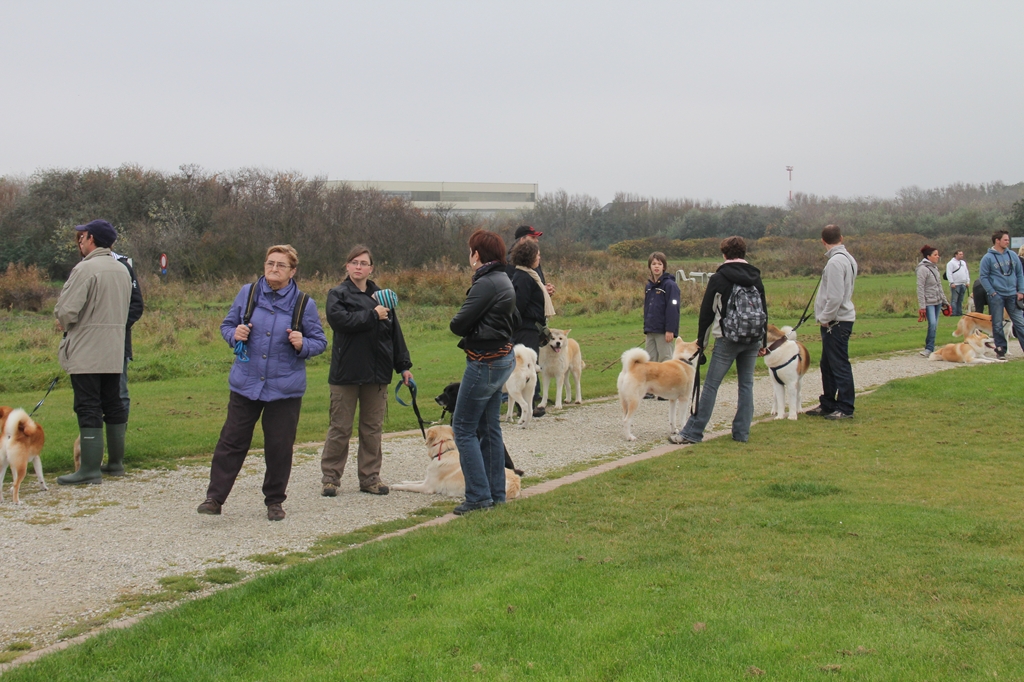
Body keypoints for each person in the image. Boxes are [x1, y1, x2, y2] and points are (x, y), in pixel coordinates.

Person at [197, 245, 327, 520]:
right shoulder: (249, 293)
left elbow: (320, 342)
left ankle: (274, 501)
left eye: (281, 265)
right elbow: (227, 325)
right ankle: (214, 498)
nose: (274, 268)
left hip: (284, 388)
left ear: (293, 271)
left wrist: (303, 343)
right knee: (231, 442)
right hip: (246, 382)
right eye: (270, 263)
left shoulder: (304, 303)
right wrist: (236, 334)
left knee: (279, 447)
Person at [320, 245, 413, 497]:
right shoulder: (337, 294)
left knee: (372, 428)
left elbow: (395, 334)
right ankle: (330, 478)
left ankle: (370, 477)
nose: (358, 267)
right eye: (354, 262)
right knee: (340, 428)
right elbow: (340, 321)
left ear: (371, 268)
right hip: (346, 374)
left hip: (377, 374)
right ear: (347, 266)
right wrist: (372, 315)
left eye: (363, 263)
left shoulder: (383, 296)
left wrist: (403, 366)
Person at [54, 219, 132, 485]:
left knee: (87, 405)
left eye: (82, 236)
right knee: (113, 403)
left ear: (91, 239)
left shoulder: (85, 269)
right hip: (114, 349)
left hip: (87, 349)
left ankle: (88, 468)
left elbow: (67, 310)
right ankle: (116, 463)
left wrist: (61, 319)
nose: (80, 240)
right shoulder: (122, 270)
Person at [669, 236, 767, 445]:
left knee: (712, 385)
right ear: (743, 253)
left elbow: (707, 314)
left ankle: (692, 432)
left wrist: (701, 345)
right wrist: (763, 341)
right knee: (746, 384)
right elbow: (763, 310)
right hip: (752, 338)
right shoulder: (755, 277)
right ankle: (741, 433)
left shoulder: (719, 278)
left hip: (727, 339)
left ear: (724, 254)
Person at [449, 229, 517, 515]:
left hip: (485, 362)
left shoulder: (487, 283)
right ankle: (495, 494)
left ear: (477, 254)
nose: (469, 255)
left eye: (470, 250)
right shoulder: (503, 278)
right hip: (502, 359)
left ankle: (478, 496)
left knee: (463, 428)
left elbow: (458, 323)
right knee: (489, 428)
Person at [805, 225, 858, 420]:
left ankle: (845, 406)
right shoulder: (849, 259)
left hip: (836, 322)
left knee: (839, 364)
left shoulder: (836, 262)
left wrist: (825, 318)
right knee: (827, 364)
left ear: (822, 241)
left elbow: (835, 297)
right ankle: (828, 402)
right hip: (839, 319)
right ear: (841, 238)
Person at [104, 249, 144, 475]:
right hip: (92, 344)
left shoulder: (123, 265)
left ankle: (116, 453)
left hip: (118, 342)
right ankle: (93, 453)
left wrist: (117, 326)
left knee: (119, 392)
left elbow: (137, 305)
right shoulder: (85, 264)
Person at [508, 238, 554, 417]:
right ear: (529, 257)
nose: (539, 257)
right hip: (525, 329)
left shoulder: (530, 275)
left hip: (532, 328)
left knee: (530, 367)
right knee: (525, 368)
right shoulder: (523, 277)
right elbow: (518, 306)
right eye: (538, 254)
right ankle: (524, 407)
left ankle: (530, 403)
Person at [977, 230, 1024, 361]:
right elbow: (984, 277)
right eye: (1005, 240)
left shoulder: (1013, 255)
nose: (1007, 242)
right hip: (997, 296)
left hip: (1013, 295)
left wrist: (1021, 291)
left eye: (1008, 240)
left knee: (1020, 323)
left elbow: (1019, 273)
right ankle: (1001, 350)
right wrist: (992, 292)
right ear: (997, 241)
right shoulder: (988, 258)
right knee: (997, 324)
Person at [643, 251, 681, 362]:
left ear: (664, 266)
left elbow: (673, 309)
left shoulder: (670, 285)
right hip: (651, 330)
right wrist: (647, 327)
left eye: (659, 264)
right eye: (654, 264)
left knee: (666, 361)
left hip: (664, 331)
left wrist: (670, 330)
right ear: (650, 266)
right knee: (649, 362)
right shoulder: (649, 287)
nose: (656, 266)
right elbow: (647, 308)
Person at [916, 245, 950, 357]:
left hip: (938, 301)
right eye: (935, 255)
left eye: (937, 254)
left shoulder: (935, 268)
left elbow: (939, 285)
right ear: (928, 256)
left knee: (935, 325)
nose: (938, 257)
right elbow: (920, 288)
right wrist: (922, 306)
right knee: (933, 324)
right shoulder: (922, 269)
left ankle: (931, 347)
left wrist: (945, 301)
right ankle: (928, 348)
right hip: (928, 302)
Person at [507, 226, 555, 297]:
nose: (536, 240)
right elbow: (513, 291)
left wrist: (546, 289)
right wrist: (541, 291)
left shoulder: (533, 259)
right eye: (533, 237)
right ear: (522, 239)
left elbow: (539, 283)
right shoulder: (510, 261)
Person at [946, 250, 969, 317]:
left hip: (963, 284)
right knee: (954, 299)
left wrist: (967, 281)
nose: (961, 255)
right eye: (960, 254)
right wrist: (951, 282)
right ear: (956, 255)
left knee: (960, 299)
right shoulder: (951, 263)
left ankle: (959, 312)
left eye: (962, 254)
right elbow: (949, 273)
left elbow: (966, 272)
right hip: (955, 284)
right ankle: (953, 312)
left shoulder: (963, 263)